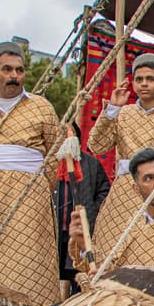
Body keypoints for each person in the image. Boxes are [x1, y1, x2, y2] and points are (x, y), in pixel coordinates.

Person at [0, 41, 62, 306]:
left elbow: (54, 152)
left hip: (29, 194)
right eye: (7, 69)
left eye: (19, 70)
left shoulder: (41, 107)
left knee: (31, 258)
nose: (14, 76)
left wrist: (38, 186)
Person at [88, 52, 154, 256]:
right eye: (139, 79)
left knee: (152, 251)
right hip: (123, 192)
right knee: (112, 249)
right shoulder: (122, 113)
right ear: (133, 84)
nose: (144, 84)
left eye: (150, 79)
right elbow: (96, 146)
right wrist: (112, 110)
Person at [67, 146, 154, 291]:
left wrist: (115, 281)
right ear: (136, 189)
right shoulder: (134, 220)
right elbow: (111, 269)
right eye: (148, 178)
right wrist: (84, 245)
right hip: (126, 302)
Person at [53, 122, 109, 295]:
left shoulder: (91, 163)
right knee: (53, 270)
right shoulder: (49, 163)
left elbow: (104, 191)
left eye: (69, 135)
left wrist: (92, 210)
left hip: (82, 227)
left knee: (80, 270)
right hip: (53, 227)